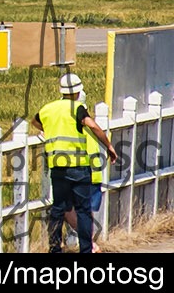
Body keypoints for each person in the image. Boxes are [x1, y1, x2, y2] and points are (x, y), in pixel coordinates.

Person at [32, 72, 120, 253]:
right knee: (83, 210)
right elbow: (93, 126)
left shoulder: (48, 108)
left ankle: (55, 248)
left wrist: (50, 130)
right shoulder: (77, 108)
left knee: (58, 208)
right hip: (78, 167)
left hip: (57, 167)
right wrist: (109, 146)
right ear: (78, 92)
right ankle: (86, 249)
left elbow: (35, 121)